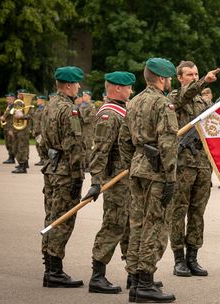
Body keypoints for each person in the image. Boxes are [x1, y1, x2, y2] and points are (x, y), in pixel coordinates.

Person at [119, 58, 177, 303]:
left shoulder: (133, 102)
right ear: (162, 79)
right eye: (169, 78)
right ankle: (145, 283)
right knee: (155, 225)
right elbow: (168, 142)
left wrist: (132, 163)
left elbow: (124, 140)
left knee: (137, 224)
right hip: (157, 172)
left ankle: (134, 277)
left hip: (138, 168)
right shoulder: (163, 104)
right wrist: (171, 177)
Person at [82, 71, 135, 294]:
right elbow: (100, 151)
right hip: (116, 180)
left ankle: (134, 275)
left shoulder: (123, 110)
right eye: (128, 88)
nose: (131, 91)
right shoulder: (109, 114)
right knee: (114, 225)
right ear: (117, 89)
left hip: (128, 178)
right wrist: (96, 181)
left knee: (131, 227)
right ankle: (97, 275)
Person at [166, 61, 219, 277]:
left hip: (202, 163)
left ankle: (193, 257)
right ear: (179, 77)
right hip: (182, 164)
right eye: (189, 74)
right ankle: (179, 258)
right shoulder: (174, 98)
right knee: (178, 211)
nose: (194, 77)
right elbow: (185, 96)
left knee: (198, 212)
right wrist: (203, 82)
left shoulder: (202, 102)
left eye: (196, 74)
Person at [41, 66, 86, 288]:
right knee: (63, 219)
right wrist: (78, 176)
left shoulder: (49, 106)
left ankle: (49, 265)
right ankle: (55, 271)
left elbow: (41, 141)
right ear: (68, 85)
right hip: (66, 171)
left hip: (51, 168)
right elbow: (74, 145)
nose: (79, 87)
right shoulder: (69, 110)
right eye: (77, 83)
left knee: (51, 216)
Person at [11, 89, 32, 173]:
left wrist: (22, 116)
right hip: (16, 129)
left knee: (22, 147)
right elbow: (12, 116)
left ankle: (22, 166)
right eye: (18, 94)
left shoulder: (29, 105)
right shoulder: (16, 104)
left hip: (24, 129)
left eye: (21, 95)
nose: (19, 96)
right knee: (15, 147)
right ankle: (21, 163)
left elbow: (30, 116)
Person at [80, 90, 97, 170]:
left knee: (89, 148)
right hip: (82, 130)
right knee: (82, 147)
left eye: (85, 96)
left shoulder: (91, 106)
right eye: (83, 96)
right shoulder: (81, 106)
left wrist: (82, 119)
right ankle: (84, 164)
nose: (83, 97)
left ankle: (89, 164)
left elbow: (91, 117)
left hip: (89, 130)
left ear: (89, 97)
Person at [32, 95, 48, 166]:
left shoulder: (45, 109)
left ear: (42, 101)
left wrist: (42, 131)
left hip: (41, 131)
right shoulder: (38, 109)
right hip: (37, 131)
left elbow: (44, 121)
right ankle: (42, 159)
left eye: (38, 100)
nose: (37, 101)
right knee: (38, 145)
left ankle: (45, 159)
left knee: (42, 146)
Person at [1, 93, 16, 164]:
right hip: (6, 127)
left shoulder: (14, 106)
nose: (7, 100)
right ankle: (10, 157)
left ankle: (12, 158)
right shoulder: (9, 106)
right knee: (7, 143)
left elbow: (14, 118)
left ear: (13, 98)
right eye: (7, 99)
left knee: (11, 143)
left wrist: (12, 129)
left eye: (9, 98)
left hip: (10, 128)